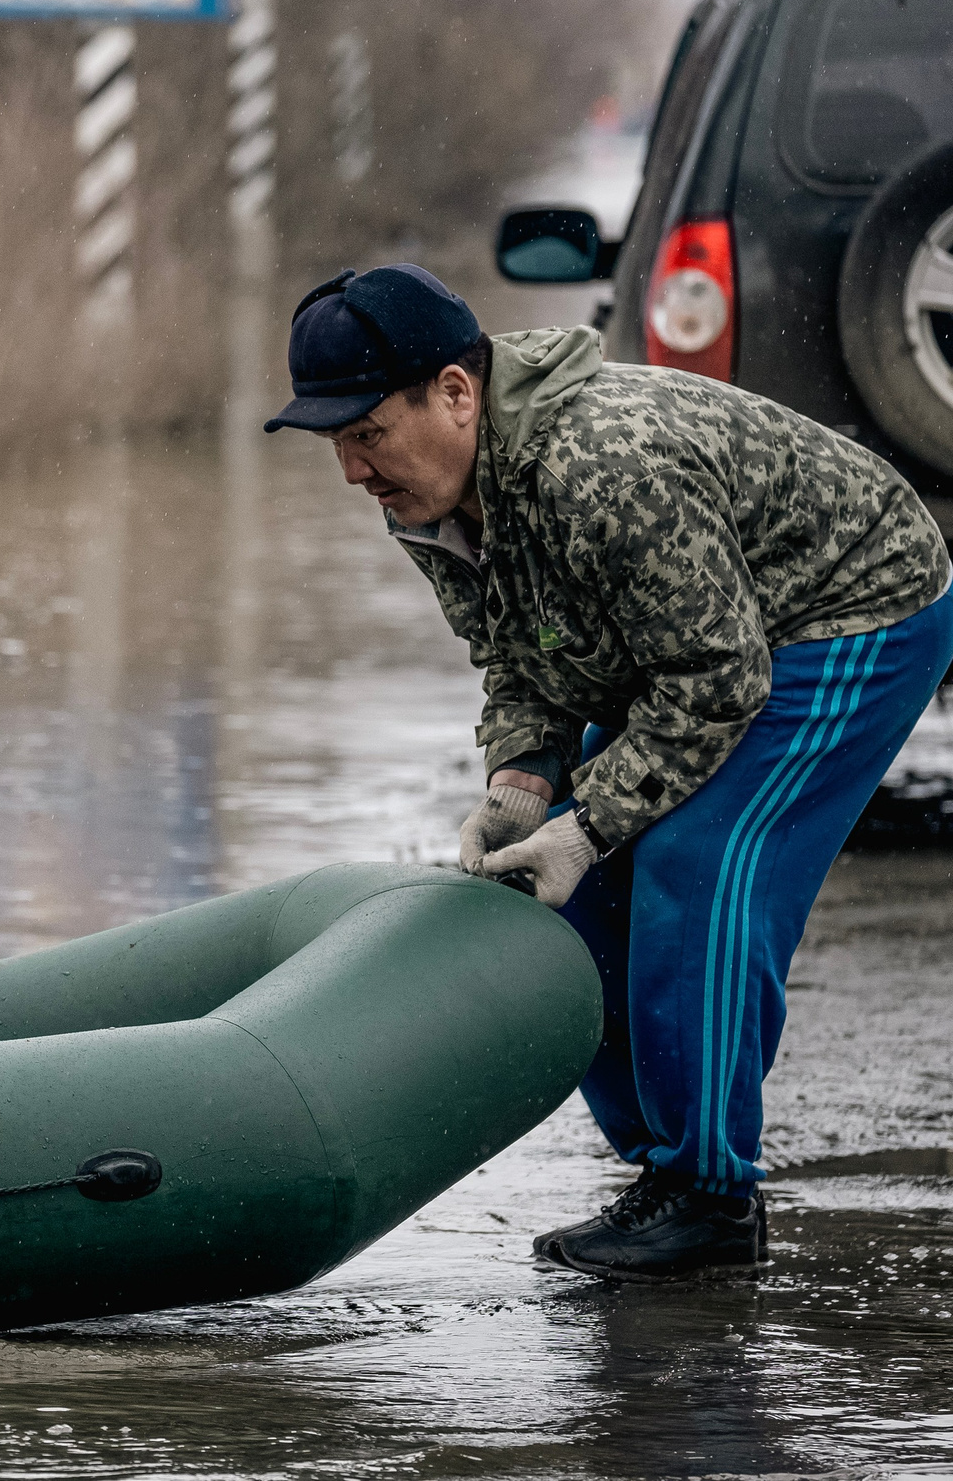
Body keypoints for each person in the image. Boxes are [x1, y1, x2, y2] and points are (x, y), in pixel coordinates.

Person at [265, 265, 953, 1282]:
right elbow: (518, 653)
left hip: (847, 606)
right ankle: (659, 1174)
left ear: (454, 393)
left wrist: (590, 823)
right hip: (706, 640)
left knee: (694, 856)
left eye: (365, 435)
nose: (354, 472)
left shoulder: (604, 467)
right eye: (336, 446)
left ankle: (713, 1198)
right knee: (575, 890)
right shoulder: (426, 492)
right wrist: (522, 786)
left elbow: (719, 686)